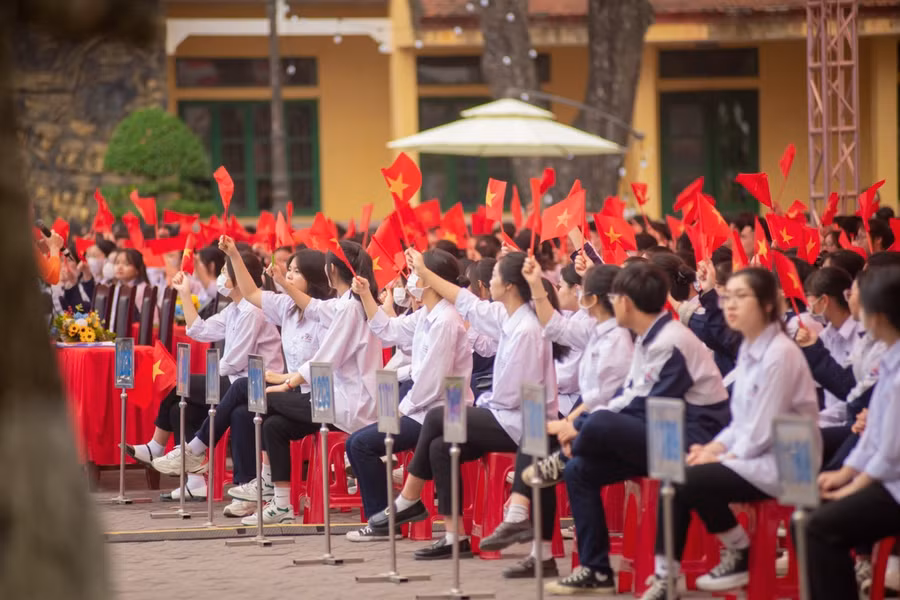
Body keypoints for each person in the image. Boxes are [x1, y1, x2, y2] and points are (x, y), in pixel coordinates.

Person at [529, 261, 730, 595]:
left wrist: (581, 427)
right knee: (581, 470)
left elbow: (643, 402)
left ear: (626, 302)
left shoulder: (671, 340)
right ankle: (596, 569)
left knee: (600, 422)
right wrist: (582, 427)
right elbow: (630, 396)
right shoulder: (646, 337)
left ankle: (563, 458)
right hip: (662, 430)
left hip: (694, 436)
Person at [367, 250, 559, 561]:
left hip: (524, 422)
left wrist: (483, 402)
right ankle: (454, 537)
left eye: (494, 277)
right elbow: (466, 301)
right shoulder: (507, 317)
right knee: (440, 447)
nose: (483, 284)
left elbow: (512, 395)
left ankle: (410, 498)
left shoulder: (527, 329)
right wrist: (425, 273)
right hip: (503, 413)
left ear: (509, 285)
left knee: (437, 417)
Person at [639, 267, 819, 599]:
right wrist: (712, 449)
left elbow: (762, 432)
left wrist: (718, 455)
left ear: (767, 304)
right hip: (754, 453)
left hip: (787, 461)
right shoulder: (750, 350)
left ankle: (739, 549)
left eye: (740, 297)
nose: (730, 306)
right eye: (727, 298)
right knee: (681, 471)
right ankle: (666, 574)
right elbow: (740, 423)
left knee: (687, 478)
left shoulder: (780, 353)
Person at [478, 256, 634, 579]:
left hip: (611, 426)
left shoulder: (617, 338)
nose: (575, 295)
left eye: (581, 290)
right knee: (537, 440)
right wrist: (536, 282)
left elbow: (607, 400)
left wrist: (571, 424)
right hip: (589, 418)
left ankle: (524, 515)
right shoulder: (594, 327)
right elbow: (557, 327)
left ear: (593, 298)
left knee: (542, 447)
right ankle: (539, 546)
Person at [154, 239, 332, 518]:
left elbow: (323, 362)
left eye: (295, 272)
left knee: (233, 387)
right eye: (290, 270)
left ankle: (196, 450)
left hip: (311, 393)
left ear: (313, 278)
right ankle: (257, 492)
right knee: (240, 412)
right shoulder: (286, 308)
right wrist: (234, 253)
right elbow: (248, 293)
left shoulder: (326, 312)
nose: (288, 275)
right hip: (282, 387)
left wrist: (287, 380)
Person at [241, 240, 383, 525]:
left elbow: (326, 359)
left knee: (264, 399)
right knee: (274, 426)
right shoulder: (343, 304)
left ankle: (266, 482)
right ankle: (281, 504)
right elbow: (314, 307)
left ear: (330, 271)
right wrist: (282, 282)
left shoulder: (351, 308)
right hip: (333, 397)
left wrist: (288, 383)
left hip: (350, 404)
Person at [126, 251, 284, 500]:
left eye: (225, 272)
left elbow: (233, 361)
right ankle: (195, 481)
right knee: (182, 406)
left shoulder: (252, 311)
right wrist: (184, 293)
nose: (220, 277)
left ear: (240, 278)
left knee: (182, 385)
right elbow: (198, 330)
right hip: (234, 383)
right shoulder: (234, 310)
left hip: (254, 385)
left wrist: (205, 380)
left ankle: (158, 446)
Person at [344, 248, 472, 541]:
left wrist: (402, 409)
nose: (411, 278)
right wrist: (366, 295)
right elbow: (389, 331)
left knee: (361, 444)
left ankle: (386, 522)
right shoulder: (427, 314)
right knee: (355, 443)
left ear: (431, 279)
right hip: (423, 406)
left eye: (416, 272)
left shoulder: (446, 319)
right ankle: (385, 517)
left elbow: (432, 381)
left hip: (442, 411)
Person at [806, 265, 900, 600]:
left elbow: (889, 451)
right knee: (808, 517)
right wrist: (844, 474)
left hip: (892, 485)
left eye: (858, 295)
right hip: (881, 473)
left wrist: (851, 485)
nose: (853, 302)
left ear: (880, 312)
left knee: (818, 526)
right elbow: (874, 430)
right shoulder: (890, 356)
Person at [804, 266, 860, 431]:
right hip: (828, 419)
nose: (808, 306)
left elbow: (849, 391)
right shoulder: (825, 335)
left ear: (824, 300)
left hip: (851, 422)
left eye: (809, 298)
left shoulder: (861, 335)